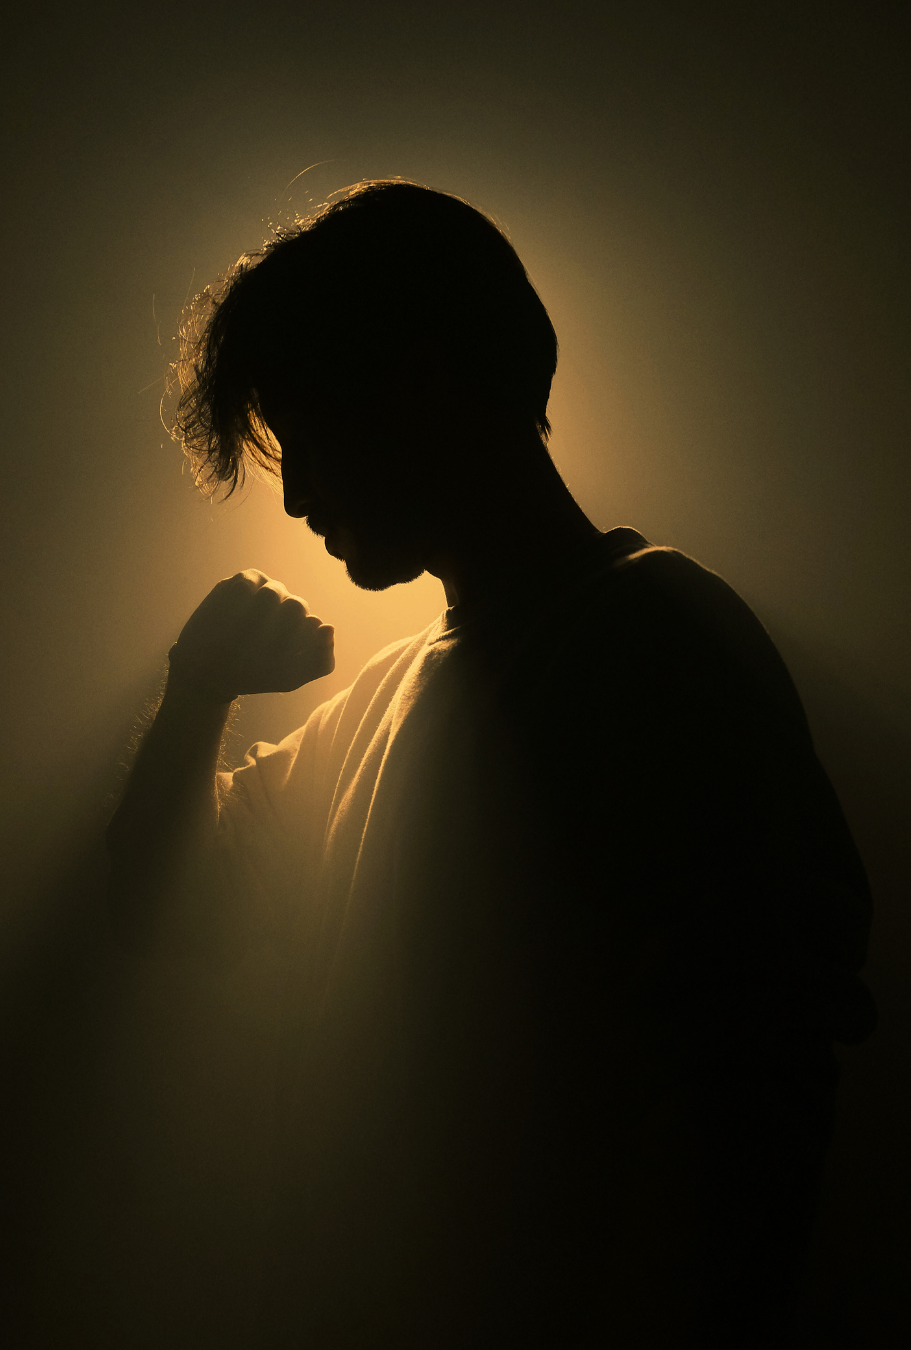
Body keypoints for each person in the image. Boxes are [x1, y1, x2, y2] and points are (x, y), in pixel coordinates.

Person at [106, 180, 875, 1348]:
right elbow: (168, 908)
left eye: (308, 433)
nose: (297, 492)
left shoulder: (652, 640)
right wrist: (196, 690)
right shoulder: (381, 700)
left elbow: (743, 1097)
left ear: (426, 384)